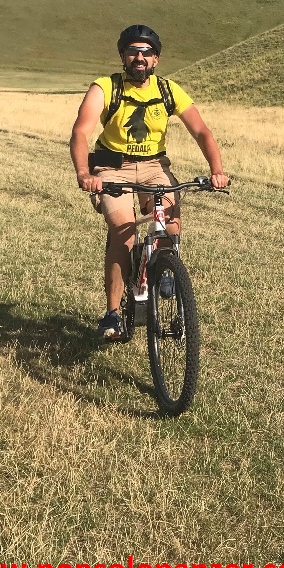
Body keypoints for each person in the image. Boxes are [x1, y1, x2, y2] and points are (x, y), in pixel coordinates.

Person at [70, 24, 229, 341]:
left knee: (170, 223)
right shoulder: (105, 88)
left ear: (155, 59)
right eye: (132, 51)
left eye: (146, 52)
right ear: (123, 56)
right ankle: (113, 314)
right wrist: (85, 174)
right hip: (113, 168)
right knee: (124, 233)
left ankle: (165, 269)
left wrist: (217, 170)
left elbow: (201, 131)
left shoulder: (168, 90)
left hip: (155, 166)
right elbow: (81, 132)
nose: (139, 58)